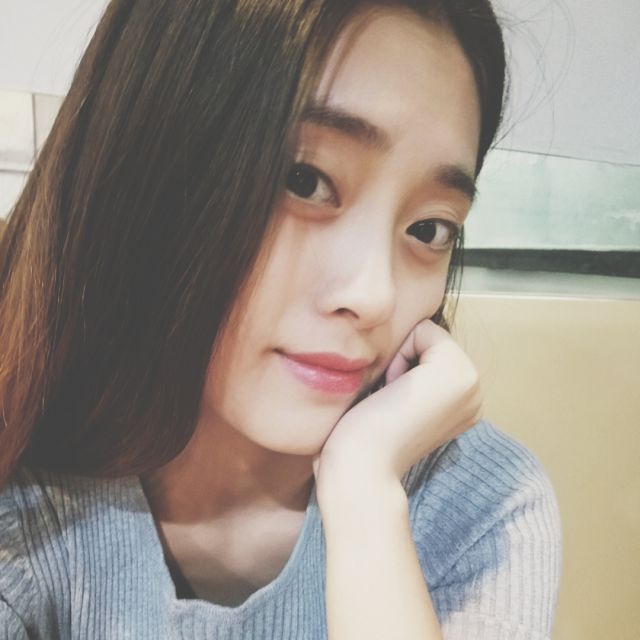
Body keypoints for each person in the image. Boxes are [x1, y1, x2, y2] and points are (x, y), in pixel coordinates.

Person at [0, 0, 562, 638]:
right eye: (304, 179)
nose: (374, 295)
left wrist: (365, 495)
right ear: (143, 163)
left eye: (429, 228)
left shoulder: (480, 510)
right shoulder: (29, 481)